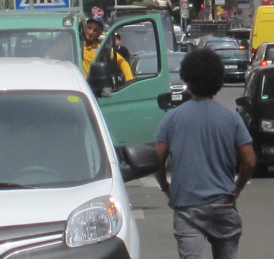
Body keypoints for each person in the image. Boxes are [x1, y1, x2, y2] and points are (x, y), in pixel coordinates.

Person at [154, 49, 255, 259]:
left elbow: (156, 161)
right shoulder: (232, 118)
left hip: (187, 207)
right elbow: (249, 162)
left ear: (188, 79)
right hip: (223, 205)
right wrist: (237, 188)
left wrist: (166, 186)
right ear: (218, 80)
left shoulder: (172, 118)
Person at [81, 16, 133, 82]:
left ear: (99, 34)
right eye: (89, 28)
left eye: (95, 30)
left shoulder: (102, 50)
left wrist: (129, 79)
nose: (91, 32)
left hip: (92, 87)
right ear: (85, 28)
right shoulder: (75, 43)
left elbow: (122, 62)